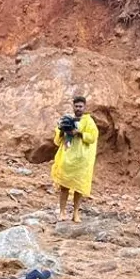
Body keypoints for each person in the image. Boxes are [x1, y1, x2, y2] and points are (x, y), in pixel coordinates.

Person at [51, 94, 98, 223]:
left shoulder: (88, 121)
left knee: (79, 188)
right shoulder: (67, 119)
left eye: (80, 106)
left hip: (82, 159)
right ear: (73, 106)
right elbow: (57, 140)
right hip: (67, 157)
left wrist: (80, 133)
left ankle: (76, 213)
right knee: (64, 186)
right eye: (76, 106)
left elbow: (93, 137)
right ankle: (62, 212)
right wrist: (61, 129)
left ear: (85, 107)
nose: (78, 108)